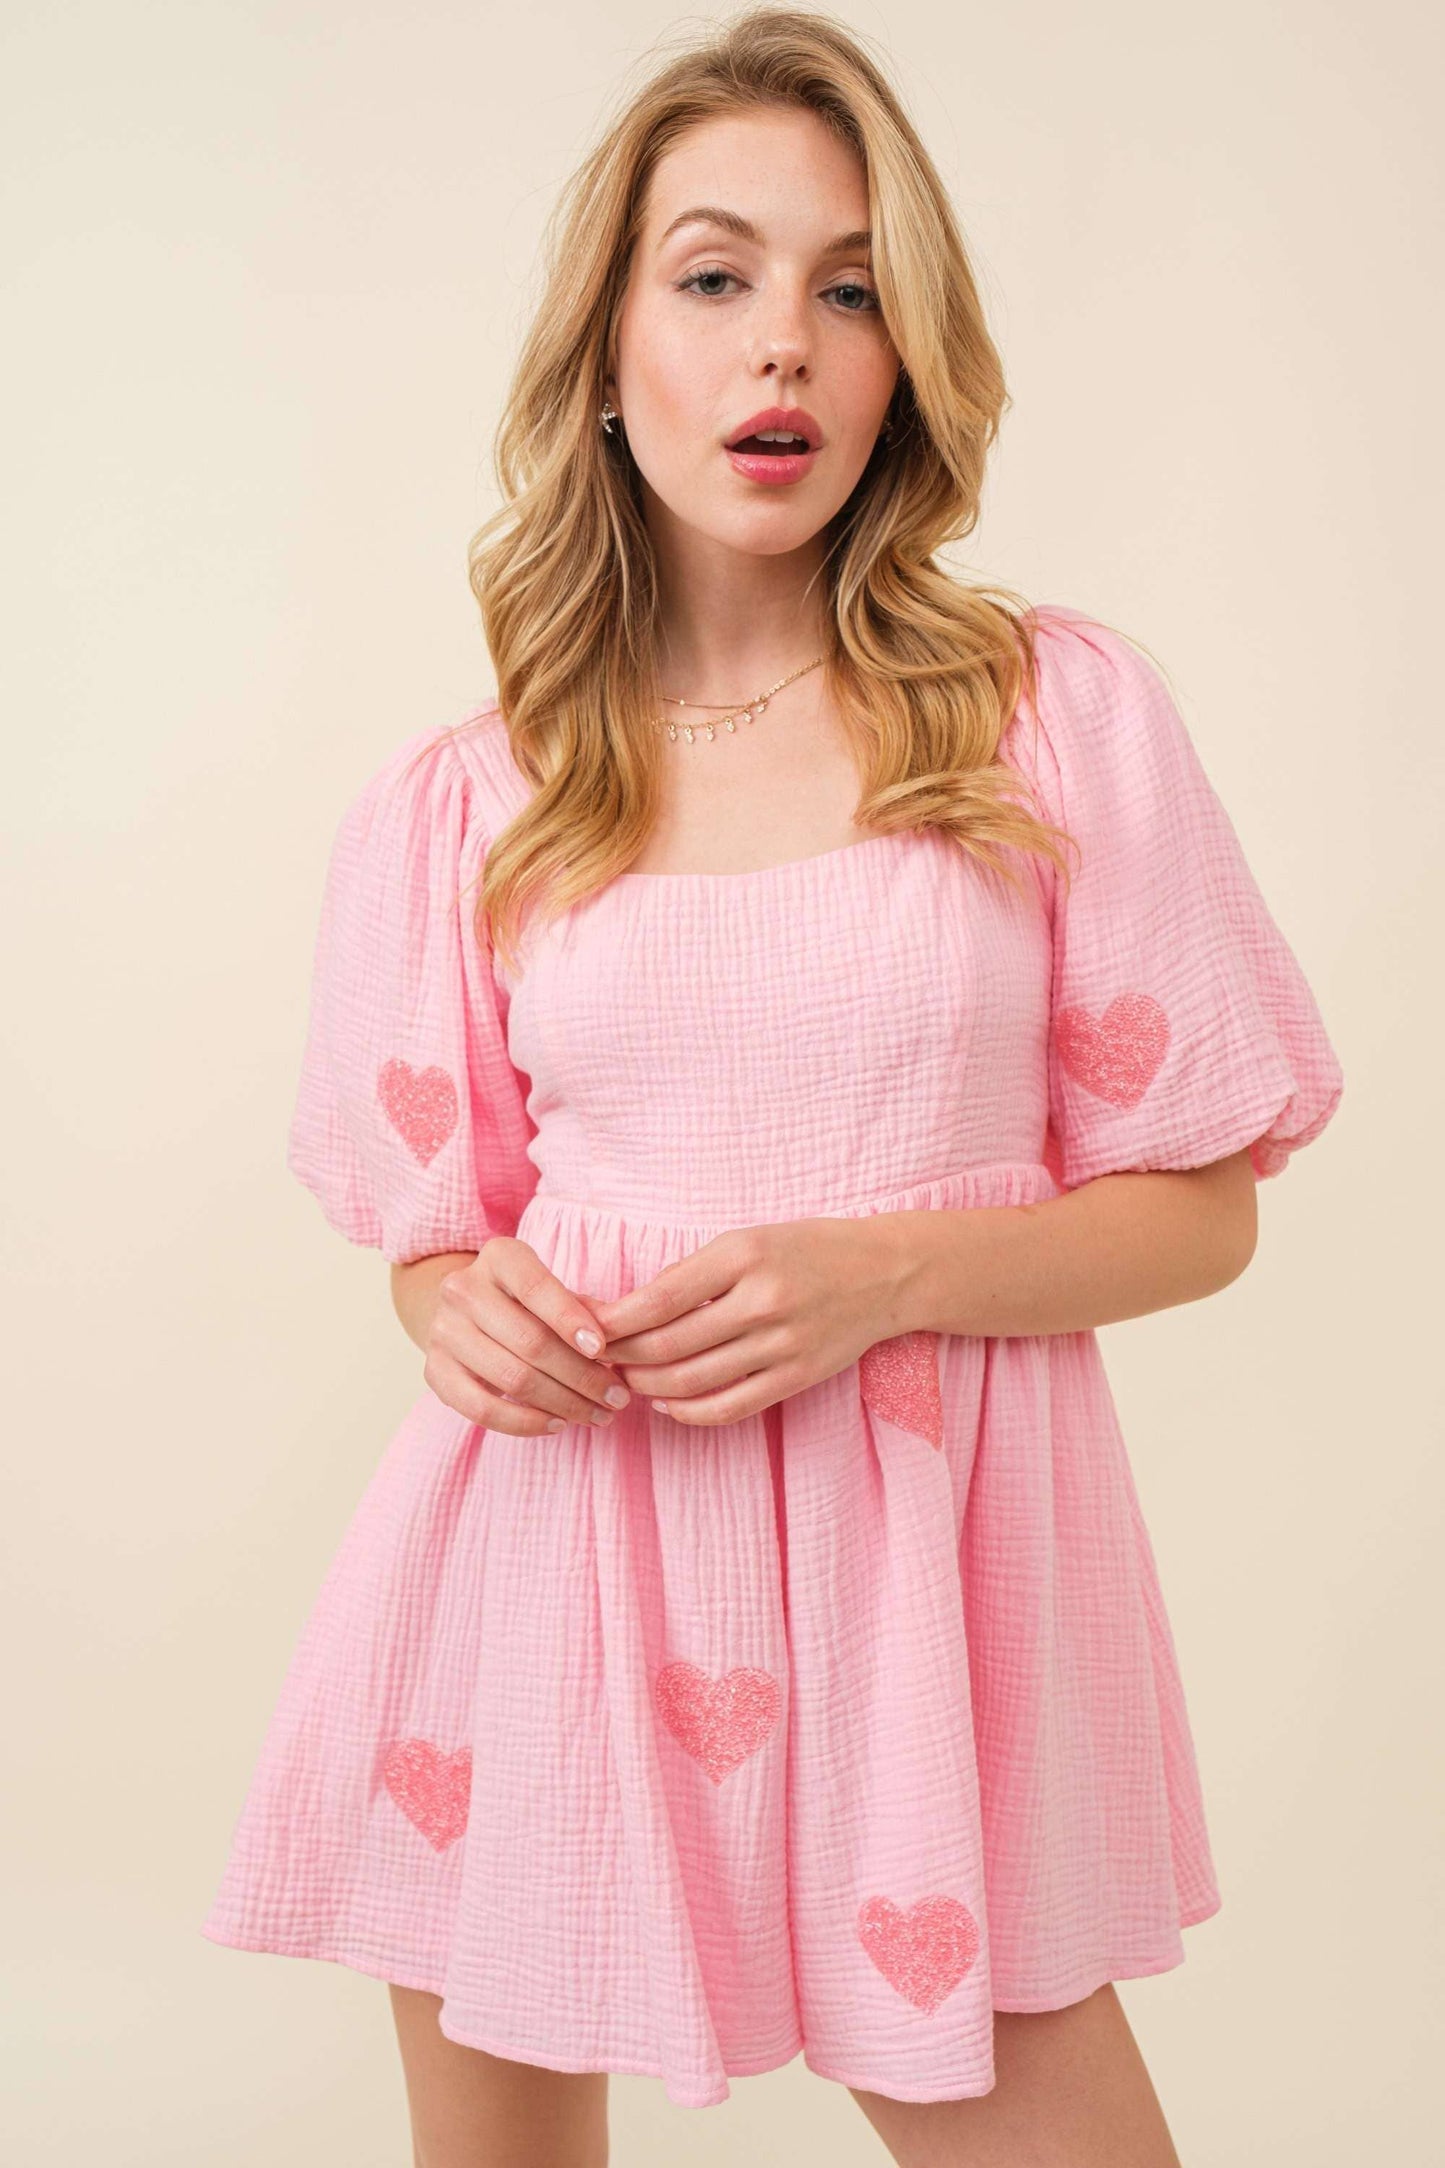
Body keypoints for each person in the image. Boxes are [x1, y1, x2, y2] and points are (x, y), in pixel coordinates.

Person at [200, 10, 1344, 2165]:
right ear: (609, 347)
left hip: (935, 1579)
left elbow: (1208, 1204)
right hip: (549, 1564)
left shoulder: (1045, 718)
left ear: (908, 356)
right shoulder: (475, 803)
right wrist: (470, 1308)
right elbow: (438, 1247)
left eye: (849, 288)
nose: (786, 348)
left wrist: (881, 1272)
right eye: (715, 276)